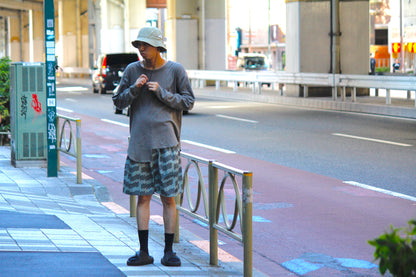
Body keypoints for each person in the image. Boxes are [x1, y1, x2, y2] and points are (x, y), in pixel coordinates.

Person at [112, 26, 195, 267]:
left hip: (167, 144)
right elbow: (118, 101)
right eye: (139, 44)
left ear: (158, 47)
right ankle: (144, 251)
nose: (141, 49)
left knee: (169, 198)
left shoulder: (175, 70)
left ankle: (169, 251)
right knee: (143, 197)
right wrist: (135, 88)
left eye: (145, 45)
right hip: (139, 145)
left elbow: (188, 102)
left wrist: (163, 93)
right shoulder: (132, 70)